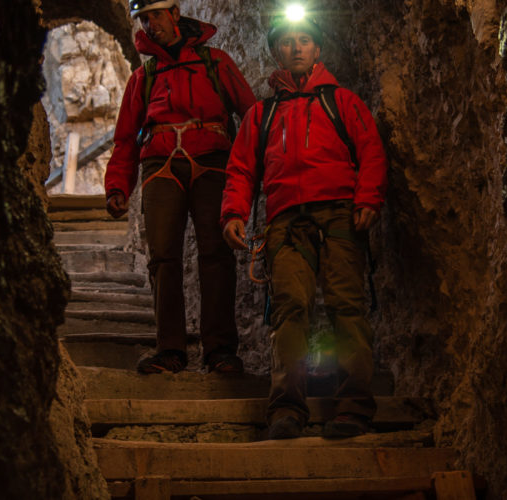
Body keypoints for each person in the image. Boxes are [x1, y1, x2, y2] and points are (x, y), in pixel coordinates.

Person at [220, 9, 388, 439]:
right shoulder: (262, 114)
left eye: (304, 40)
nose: (296, 47)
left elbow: (370, 150)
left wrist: (368, 197)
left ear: (317, 49)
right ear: (277, 51)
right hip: (285, 222)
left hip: (338, 215)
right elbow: (241, 169)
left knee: (346, 307)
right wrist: (234, 212)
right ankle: (287, 410)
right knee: (290, 311)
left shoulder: (342, 101)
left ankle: (352, 406)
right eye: (287, 41)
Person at [105, 0, 256, 375]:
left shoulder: (214, 62)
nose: (149, 24)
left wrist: (260, 170)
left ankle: (220, 350)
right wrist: (117, 186)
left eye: (155, 15)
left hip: (212, 161)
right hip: (161, 166)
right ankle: (170, 350)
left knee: (216, 254)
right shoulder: (146, 76)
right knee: (163, 258)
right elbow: (125, 139)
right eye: (143, 18)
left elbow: (251, 116)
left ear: (174, 14)